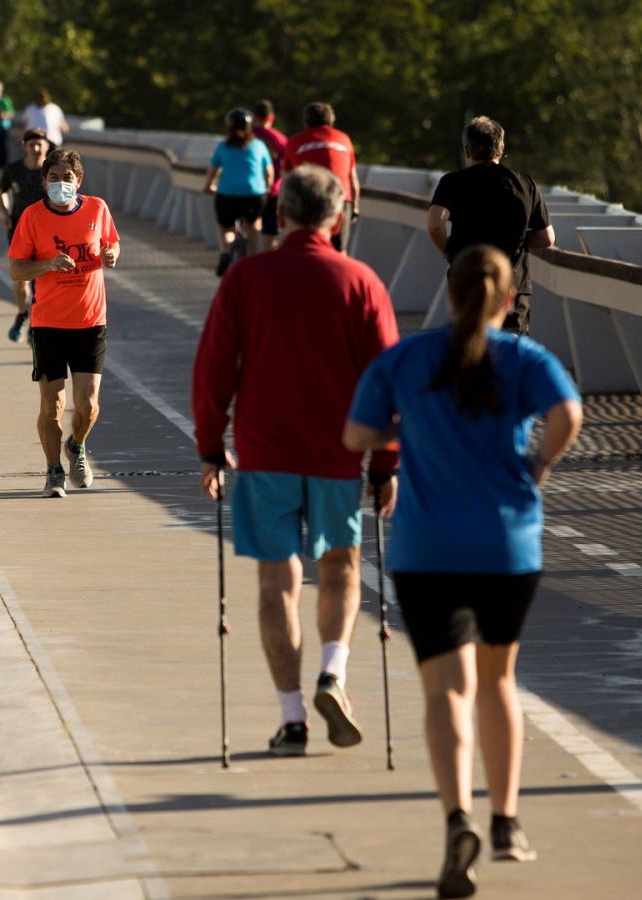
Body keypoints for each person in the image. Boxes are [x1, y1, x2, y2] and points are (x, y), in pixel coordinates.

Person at [344, 246, 582, 898]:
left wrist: (405, 421)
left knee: (447, 688)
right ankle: (506, 822)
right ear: (510, 299)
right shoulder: (527, 359)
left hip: (427, 550)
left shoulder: (408, 358)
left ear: (448, 294)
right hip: (507, 546)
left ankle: (458, 821)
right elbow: (569, 415)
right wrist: (541, 465)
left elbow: (356, 437)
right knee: (499, 677)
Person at [192, 165, 400, 758]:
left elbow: (213, 371)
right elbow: (386, 379)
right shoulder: (361, 281)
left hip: (264, 452)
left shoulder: (246, 278)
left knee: (276, 582)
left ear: (278, 215)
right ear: (338, 218)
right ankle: (333, 673)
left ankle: (291, 721)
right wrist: (386, 462)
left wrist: (211, 446)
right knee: (339, 568)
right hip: (339, 453)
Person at [8, 148, 119, 498]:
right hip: (49, 324)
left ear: (79, 180)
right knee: (51, 405)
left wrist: (112, 254)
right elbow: (16, 269)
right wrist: (47, 265)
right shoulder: (32, 217)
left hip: (90, 320)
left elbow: (112, 243)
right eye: (53, 178)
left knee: (88, 406)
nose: (60, 184)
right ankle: (53, 471)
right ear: (44, 182)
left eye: (67, 178)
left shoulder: (98, 209)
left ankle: (78, 446)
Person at [427, 117, 556, 335]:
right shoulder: (525, 184)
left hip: (467, 279)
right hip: (512, 286)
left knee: (468, 344)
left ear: (467, 149)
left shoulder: (452, 182)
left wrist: (448, 251)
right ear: (501, 147)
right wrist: (519, 239)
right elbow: (547, 238)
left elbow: (434, 221)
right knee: (511, 353)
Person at [204, 108, 274, 276]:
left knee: (225, 227)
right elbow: (269, 173)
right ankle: (253, 260)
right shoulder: (258, 145)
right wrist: (267, 188)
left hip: (227, 194)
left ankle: (226, 252)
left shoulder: (223, 146)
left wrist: (209, 186)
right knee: (253, 225)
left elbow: (212, 170)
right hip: (254, 194)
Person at [284, 102, 361, 254]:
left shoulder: (295, 142)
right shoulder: (344, 139)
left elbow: (287, 179)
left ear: (306, 122)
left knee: (303, 246)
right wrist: (355, 207)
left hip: (303, 198)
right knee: (339, 249)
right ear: (331, 121)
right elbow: (352, 178)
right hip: (339, 197)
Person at [0, 128, 51, 342]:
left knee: (41, 280)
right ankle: (22, 313)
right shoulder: (13, 170)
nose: (36, 149)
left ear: (47, 145)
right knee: (21, 279)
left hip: (46, 233)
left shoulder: (52, 171)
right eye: (32, 145)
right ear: (24, 146)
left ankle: (35, 323)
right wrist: (5, 214)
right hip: (19, 231)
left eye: (40, 144)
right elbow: (1, 192)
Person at [250, 100, 288, 251]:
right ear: (271, 118)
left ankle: (246, 258)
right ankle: (267, 262)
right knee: (270, 231)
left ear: (254, 117)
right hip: (274, 190)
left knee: (249, 226)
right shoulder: (281, 139)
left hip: (249, 189)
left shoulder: (245, 135)